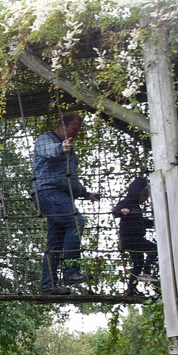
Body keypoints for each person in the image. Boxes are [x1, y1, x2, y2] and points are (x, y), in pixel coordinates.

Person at [32, 113, 101, 295]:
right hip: (48, 193)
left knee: (54, 243)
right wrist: (60, 147)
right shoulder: (46, 139)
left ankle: (48, 286)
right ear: (62, 125)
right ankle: (71, 271)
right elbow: (48, 150)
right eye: (74, 128)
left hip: (61, 197)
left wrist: (86, 195)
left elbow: (71, 179)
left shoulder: (71, 153)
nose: (76, 132)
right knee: (75, 221)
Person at [112, 176, 157, 297]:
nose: (145, 198)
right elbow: (115, 211)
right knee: (154, 249)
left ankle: (131, 290)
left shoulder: (137, 206)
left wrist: (154, 222)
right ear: (138, 193)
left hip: (134, 239)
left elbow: (141, 221)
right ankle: (146, 272)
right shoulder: (128, 201)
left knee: (138, 264)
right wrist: (122, 211)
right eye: (144, 195)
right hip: (131, 239)